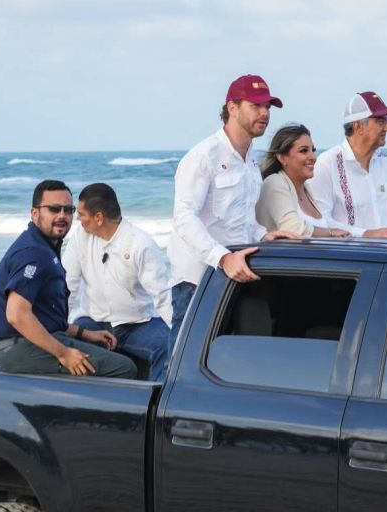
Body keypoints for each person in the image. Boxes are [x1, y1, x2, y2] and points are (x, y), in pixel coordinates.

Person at [168, 74, 296, 354]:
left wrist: (265, 234)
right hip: (198, 282)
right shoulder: (204, 155)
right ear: (232, 108)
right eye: (256, 106)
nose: (264, 113)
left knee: (225, 364)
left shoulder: (250, 160)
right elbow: (184, 217)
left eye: (268, 107)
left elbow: (240, 221)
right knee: (181, 366)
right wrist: (222, 257)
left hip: (234, 276)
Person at [0, 180, 137, 378]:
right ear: (35, 213)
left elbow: (44, 316)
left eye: (68, 210)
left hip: (31, 341)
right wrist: (64, 353)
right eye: (54, 209)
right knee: (124, 368)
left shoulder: (45, 247)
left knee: (111, 353)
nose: (62, 216)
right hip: (19, 348)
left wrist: (85, 334)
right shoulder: (32, 253)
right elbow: (17, 315)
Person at [62, 183, 171, 381]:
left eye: (81, 214)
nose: (77, 219)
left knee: (169, 344)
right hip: (93, 322)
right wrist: (59, 323)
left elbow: (162, 295)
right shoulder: (80, 237)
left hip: (138, 324)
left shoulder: (140, 243)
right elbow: (68, 284)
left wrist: (180, 333)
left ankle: (153, 403)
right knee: (66, 341)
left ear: (99, 218)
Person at [307, 91, 387, 238]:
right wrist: (366, 234)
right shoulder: (326, 165)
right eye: (381, 121)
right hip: (348, 259)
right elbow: (320, 222)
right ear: (358, 126)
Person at [256, 124, 351, 238]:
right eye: (304, 151)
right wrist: (330, 232)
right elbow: (293, 228)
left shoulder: (306, 188)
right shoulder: (274, 183)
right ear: (282, 157)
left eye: (313, 150)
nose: (313, 157)